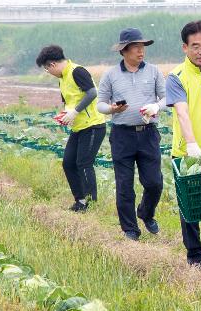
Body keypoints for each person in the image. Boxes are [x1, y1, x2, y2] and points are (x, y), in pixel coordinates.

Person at [97, 28, 167, 241]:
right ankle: (130, 229)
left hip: (148, 134)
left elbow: (166, 98)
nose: (141, 51)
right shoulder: (110, 74)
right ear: (124, 50)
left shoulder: (154, 71)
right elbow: (100, 104)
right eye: (136, 47)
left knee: (154, 182)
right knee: (124, 184)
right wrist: (112, 109)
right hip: (122, 135)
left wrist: (156, 106)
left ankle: (146, 212)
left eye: (142, 47)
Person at [165, 20, 201, 267]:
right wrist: (191, 143)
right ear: (184, 48)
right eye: (195, 46)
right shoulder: (176, 76)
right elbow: (182, 112)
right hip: (187, 150)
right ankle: (195, 254)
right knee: (190, 203)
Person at [36, 44, 105, 213]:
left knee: (84, 163)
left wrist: (75, 111)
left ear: (52, 64)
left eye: (46, 69)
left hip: (93, 125)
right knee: (68, 163)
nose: (48, 72)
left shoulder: (77, 71)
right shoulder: (62, 78)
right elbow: (70, 102)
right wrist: (65, 115)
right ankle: (80, 200)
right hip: (78, 127)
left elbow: (92, 93)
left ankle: (91, 203)